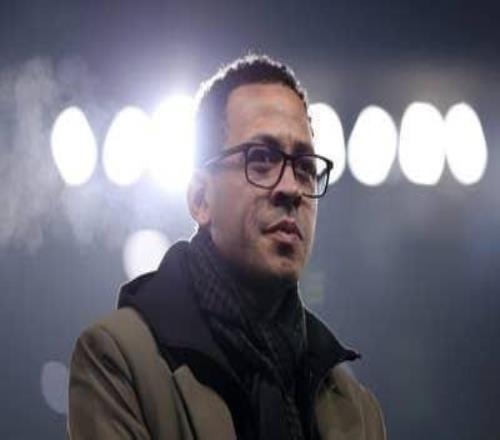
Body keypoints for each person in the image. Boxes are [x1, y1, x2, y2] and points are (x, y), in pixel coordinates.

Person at [67, 54, 386, 440]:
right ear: (200, 198)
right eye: (262, 159)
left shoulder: (355, 407)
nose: (291, 189)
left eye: (305, 167)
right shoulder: (119, 359)